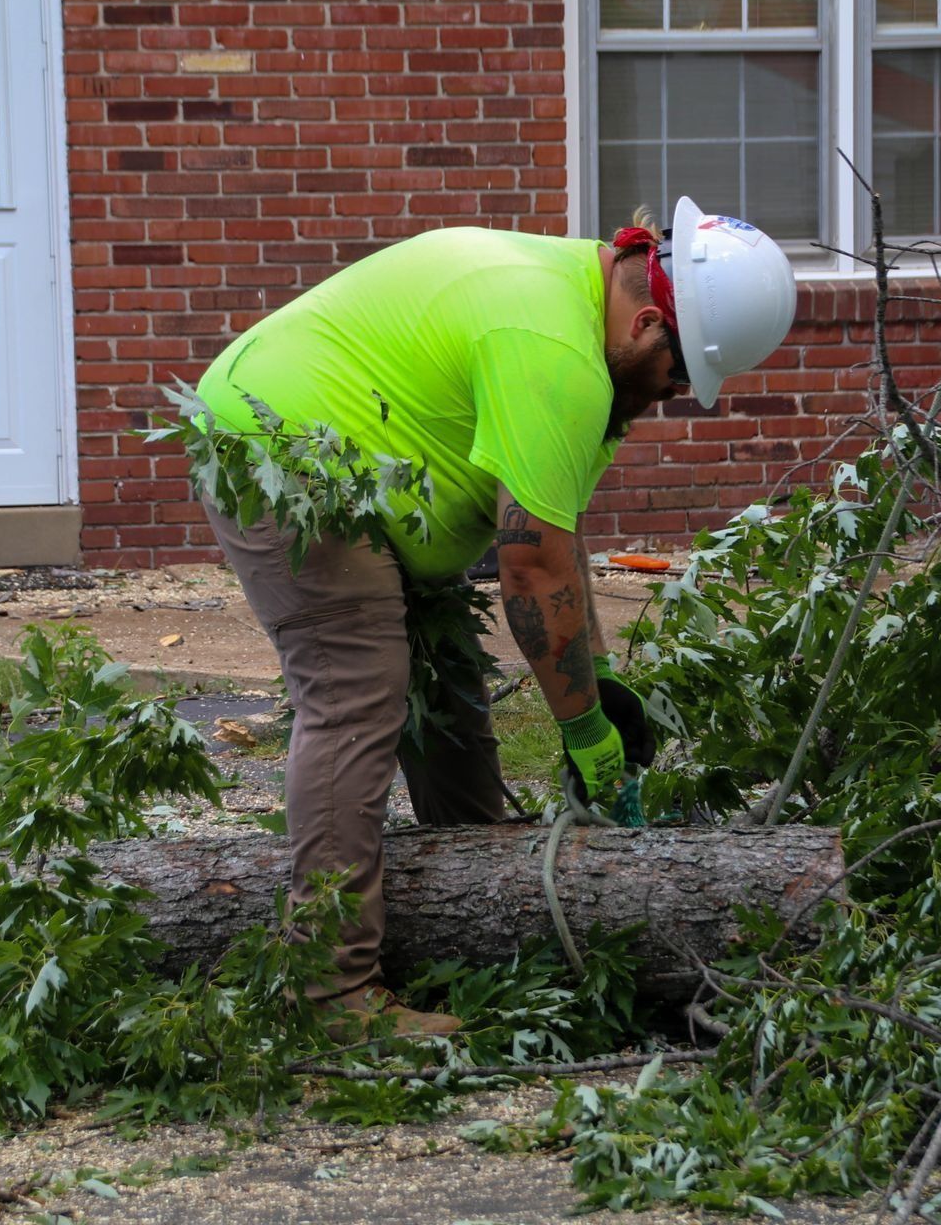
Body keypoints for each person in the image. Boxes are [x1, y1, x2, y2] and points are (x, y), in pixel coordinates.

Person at [194, 196, 797, 1037]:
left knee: (447, 695)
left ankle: (483, 892)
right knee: (358, 694)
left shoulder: (579, 309)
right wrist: (583, 732)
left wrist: (602, 683)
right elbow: (527, 566)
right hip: (291, 455)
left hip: (367, 462)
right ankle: (329, 995)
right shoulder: (555, 354)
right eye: (679, 376)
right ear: (650, 322)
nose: (670, 397)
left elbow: (554, 532)